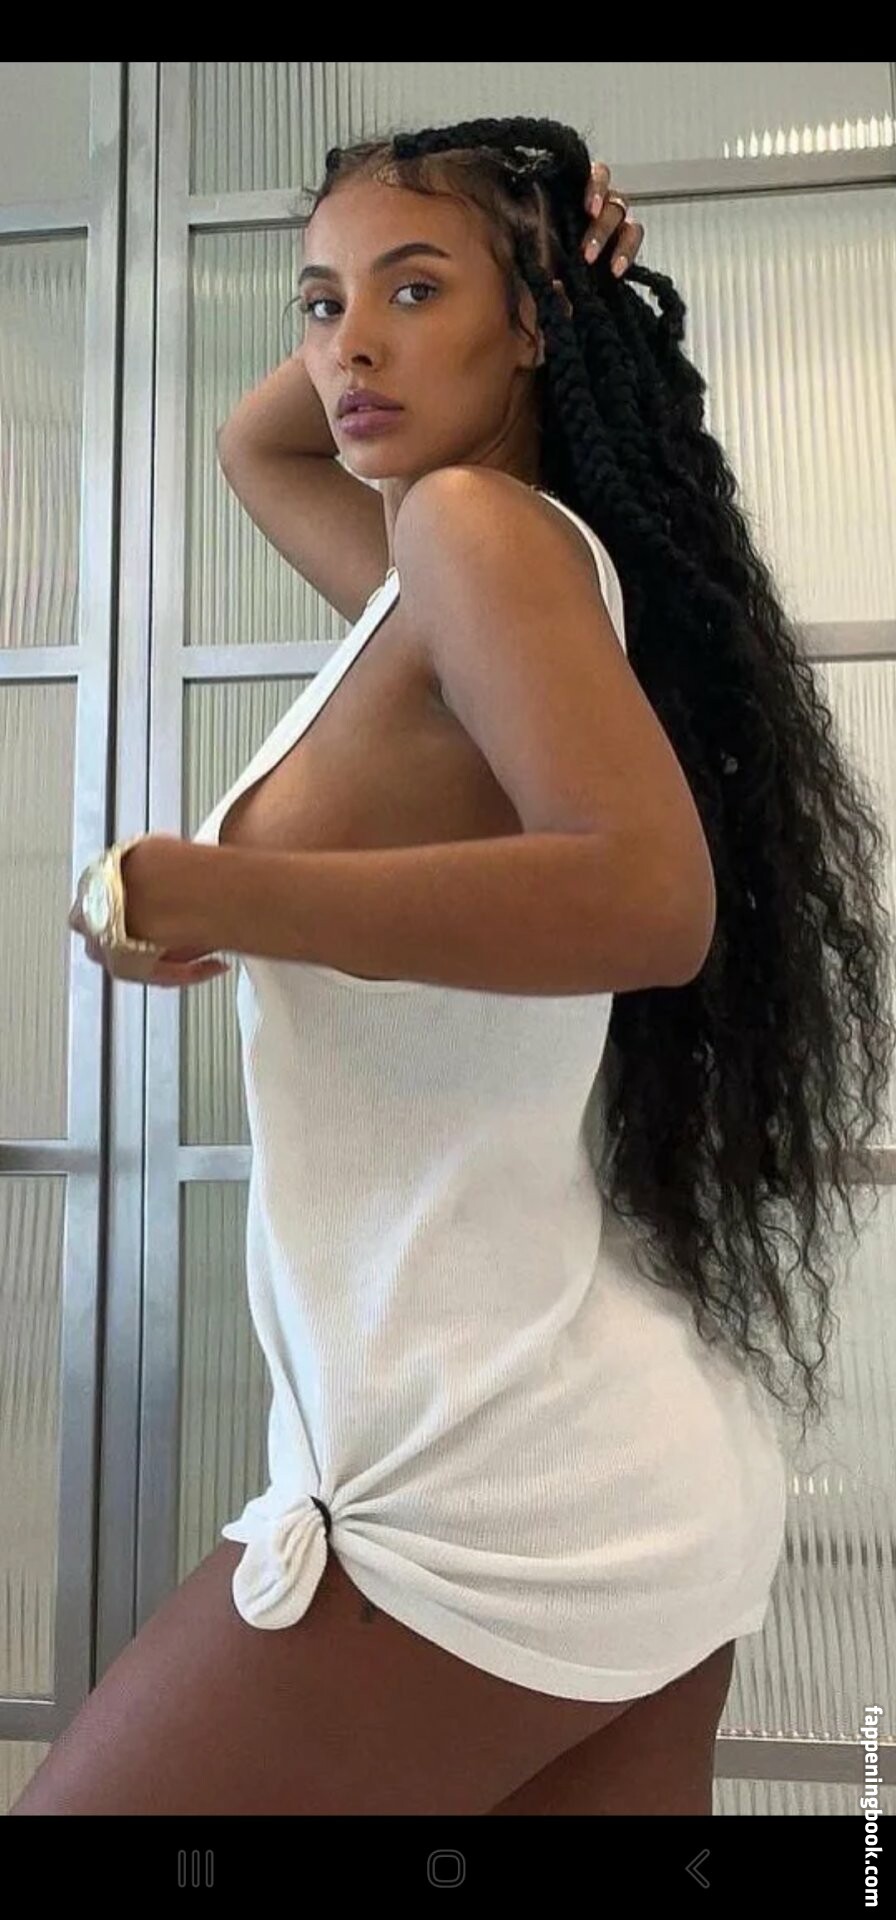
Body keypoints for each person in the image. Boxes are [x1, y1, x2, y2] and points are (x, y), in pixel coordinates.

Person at [22, 118, 893, 1817]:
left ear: (535, 324)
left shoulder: (475, 536)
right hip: (604, 1446)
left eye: (413, 293)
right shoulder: (464, 572)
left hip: (475, 1479)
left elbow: (647, 900)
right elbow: (260, 441)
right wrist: (465, 260)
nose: (347, 346)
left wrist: (225, 891)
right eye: (320, 301)